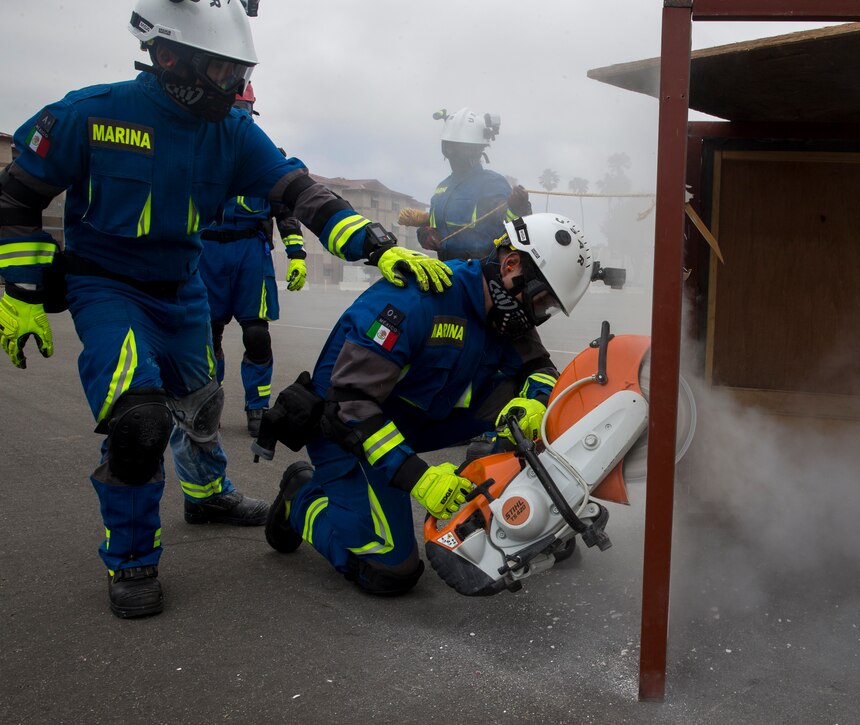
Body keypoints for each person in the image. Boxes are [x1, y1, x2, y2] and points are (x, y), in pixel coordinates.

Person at [0, 0, 450, 619]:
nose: (236, 86)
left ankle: (207, 494)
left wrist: (377, 247)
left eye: (240, 71)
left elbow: (300, 191)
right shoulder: (91, 114)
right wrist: (21, 290)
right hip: (106, 287)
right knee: (139, 423)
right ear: (167, 57)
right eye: (223, 71)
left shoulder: (231, 130)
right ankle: (131, 558)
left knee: (201, 404)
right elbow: (16, 197)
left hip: (184, 289)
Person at [263, 213, 596, 596]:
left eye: (549, 308)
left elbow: (540, 367)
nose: (538, 315)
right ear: (511, 265)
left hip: (411, 420)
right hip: (348, 431)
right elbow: (350, 407)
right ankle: (300, 496)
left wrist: (536, 405)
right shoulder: (415, 300)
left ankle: (525, 498)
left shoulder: (505, 312)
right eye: (541, 301)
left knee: (549, 404)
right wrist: (419, 477)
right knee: (390, 570)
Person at [199, 83, 306, 437]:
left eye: (244, 110)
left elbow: (284, 210)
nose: (239, 116)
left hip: (249, 251)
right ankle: (205, 404)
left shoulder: (267, 155)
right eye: (235, 107)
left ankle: (257, 407)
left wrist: (297, 254)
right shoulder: (197, 149)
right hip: (207, 250)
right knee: (206, 335)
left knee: (257, 336)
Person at [406, 108, 532, 262]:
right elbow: (432, 224)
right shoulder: (442, 188)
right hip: (447, 272)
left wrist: (519, 208)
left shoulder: (491, 183)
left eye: (459, 148)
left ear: (476, 150)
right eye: (449, 147)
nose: (453, 153)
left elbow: (514, 227)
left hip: (481, 275)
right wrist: (424, 233)